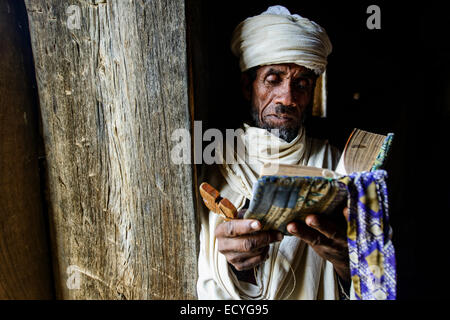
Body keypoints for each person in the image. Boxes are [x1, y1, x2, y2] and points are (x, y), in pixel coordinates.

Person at [197, 5, 351, 300]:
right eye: (273, 79)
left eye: (301, 84)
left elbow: (373, 279)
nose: (287, 98)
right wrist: (240, 268)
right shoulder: (214, 165)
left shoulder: (336, 164)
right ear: (247, 86)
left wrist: (346, 262)